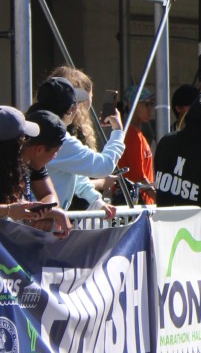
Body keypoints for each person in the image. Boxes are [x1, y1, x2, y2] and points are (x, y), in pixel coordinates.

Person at [35, 74, 124, 216]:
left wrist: (96, 201)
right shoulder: (60, 139)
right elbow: (104, 166)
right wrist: (118, 130)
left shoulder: (37, 128)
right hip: (39, 220)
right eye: (75, 103)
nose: (77, 108)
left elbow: (74, 174)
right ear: (69, 109)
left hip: (36, 218)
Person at [0, 106, 70, 234]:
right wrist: (8, 210)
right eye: (22, 137)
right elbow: (11, 209)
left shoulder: (23, 163)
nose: (26, 141)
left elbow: (49, 195)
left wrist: (47, 212)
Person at [119, 84, 156, 202]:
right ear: (131, 106)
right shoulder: (131, 134)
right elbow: (138, 178)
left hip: (142, 203)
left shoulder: (137, 134)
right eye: (145, 104)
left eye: (151, 103)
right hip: (136, 203)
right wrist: (159, 199)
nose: (149, 109)